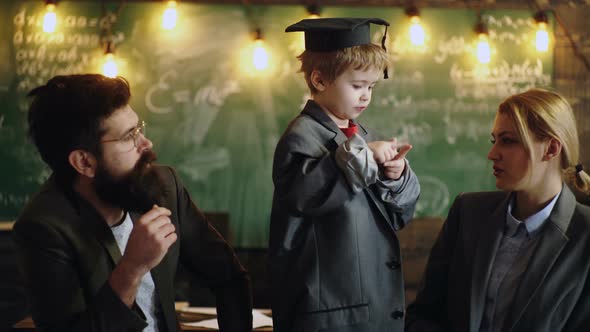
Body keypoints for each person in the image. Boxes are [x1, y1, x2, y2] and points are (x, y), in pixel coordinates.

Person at [13, 74, 253, 332]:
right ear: (84, 162)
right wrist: (132, 268)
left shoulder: (163, 186)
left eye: (139, 129)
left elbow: (229, 276)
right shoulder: (42, 229)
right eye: (129, 137)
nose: (146, 143)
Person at [269, 18, 421, 332]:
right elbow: (307, 196)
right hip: (330, 313)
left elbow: (398, 216)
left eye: (371, 87)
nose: (366, 96)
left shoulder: (364, 134)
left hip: (370, 302)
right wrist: (366, 156)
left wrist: (396, 175)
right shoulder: (300, 137)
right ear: (320, 80)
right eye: (357, 86)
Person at [405, 88, 590, 332]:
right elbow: (423, 314)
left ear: (551, 149)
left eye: (508, 141)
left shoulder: (585, 234)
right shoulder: (468, 213)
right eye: (495, 140)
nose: (492, 154)